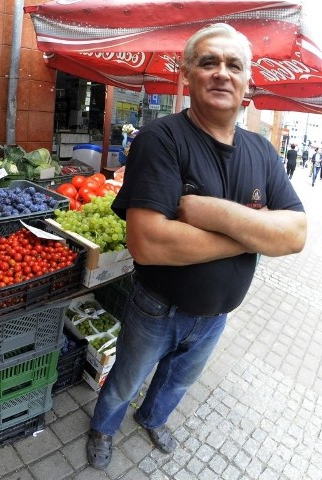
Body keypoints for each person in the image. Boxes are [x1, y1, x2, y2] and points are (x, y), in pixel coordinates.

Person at [86, 23, 307, 470]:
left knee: (178, 381)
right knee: (126, 379)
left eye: (233, 65)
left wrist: (210, 213)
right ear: (187, 75)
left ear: (248, 81)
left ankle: (153, 418)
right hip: (157, 308)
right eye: (209, 63)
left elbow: (296, 235)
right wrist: (252, 232)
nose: (221, 73)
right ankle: (103, 428)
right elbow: (148, 243)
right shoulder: (160, 139)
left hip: (217, 315)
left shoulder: (263, 152)